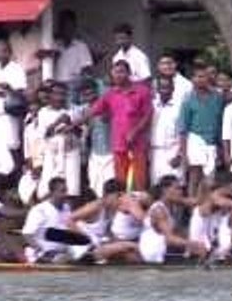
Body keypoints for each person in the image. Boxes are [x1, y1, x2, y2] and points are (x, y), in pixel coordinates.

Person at [76, 60, 152, 192]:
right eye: (115, 72)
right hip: (118, 146)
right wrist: (71, 124)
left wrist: (135, 131)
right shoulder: (110, 94)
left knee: (138, 184)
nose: (118, 75)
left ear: (129, 73)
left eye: (121, 72)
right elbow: (92, 111)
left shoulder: (142, 91)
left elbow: (148, 115)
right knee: (120, 184)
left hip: (137, 145)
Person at [177, 62, 225, 198]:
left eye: (203, 76)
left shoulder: (217, 97)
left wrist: (220, 146)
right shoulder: (188, 100)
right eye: (197, 76)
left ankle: (204, 206)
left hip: (212, 143)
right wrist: (184, 153)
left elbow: (220, 123)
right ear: (192, 79)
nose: (200, 79)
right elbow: (183, 129)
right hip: (195, 141)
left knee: (209, 180)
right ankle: (193, 209)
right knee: (195, 176)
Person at [138, 175, 208, 264]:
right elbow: (169, 239)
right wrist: (194, 244)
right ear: (165, 190)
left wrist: (204, 185)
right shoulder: (159, 210)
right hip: (155, 252)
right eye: (177, 188)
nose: (181, 192)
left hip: (164, 248)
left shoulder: (175, 202)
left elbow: (197, 201)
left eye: (181, 189)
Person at [36, 81, 83, 198]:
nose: (60, 97)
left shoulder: (74, 110)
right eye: (56, 94)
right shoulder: (43, 112)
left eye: (63, 94)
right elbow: (44, 135)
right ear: (50, 95)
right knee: (46, 189)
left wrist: (71, 124)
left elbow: (81, 133)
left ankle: (69, 213)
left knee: (72, 189)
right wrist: (58, 122)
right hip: (52, 154)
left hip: (70, 153)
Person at [21, 177, 74, 263]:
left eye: (66, 190)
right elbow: (27, 234)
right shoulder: (39, 209)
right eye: (62, 191)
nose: (66, 194)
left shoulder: (67, 208)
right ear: (52, 192)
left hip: (62, 253)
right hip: (41, 255)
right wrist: (41, 250)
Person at [149, 76, 185, 188]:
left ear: (173, 88)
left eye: (167, 87)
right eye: (162, 87)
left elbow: (184, 132)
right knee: (157, 188)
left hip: (173, 151)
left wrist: (180, 154)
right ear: (157, 89)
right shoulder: (151, 105)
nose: (165, 90)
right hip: (155, 153)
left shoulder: (180, 106)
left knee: (175, 188)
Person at [51, 10, 93, 91]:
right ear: (59, 27)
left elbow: (87, 68)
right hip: (56, 87)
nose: (66, 29)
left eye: (69, 25)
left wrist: (81, 81)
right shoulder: (53, 45)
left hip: (74, 87)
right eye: (64, 25)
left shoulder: (81, 46)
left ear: (74, 26)